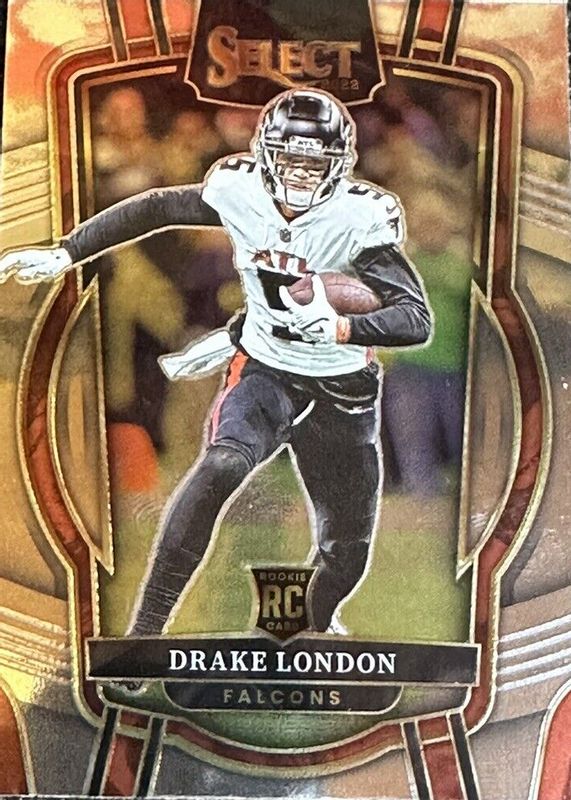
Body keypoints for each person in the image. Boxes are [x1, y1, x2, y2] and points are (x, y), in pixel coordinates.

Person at [0, 89, 431, 636]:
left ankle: (303, 625)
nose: (300, 174)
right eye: (289, 159)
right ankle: (146, 632)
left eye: (313, 163)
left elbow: (414, 318)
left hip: (342, 384)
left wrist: (342, 327)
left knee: (346, 554)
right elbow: (156, 208)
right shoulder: (239, 189)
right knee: (222, 464)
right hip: (268, 368)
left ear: (339, 164)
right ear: (266, 154)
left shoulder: (358, 216)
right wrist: (67, 251)